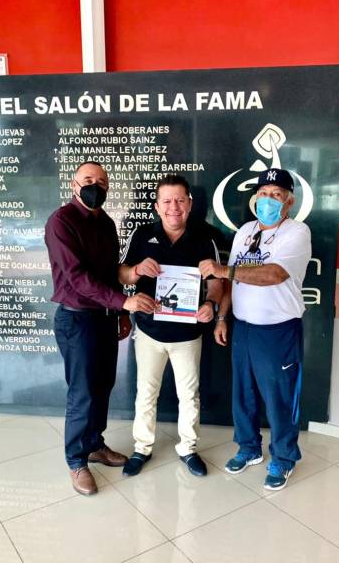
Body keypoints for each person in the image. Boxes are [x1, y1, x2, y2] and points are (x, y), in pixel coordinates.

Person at [45, 161, 156, 496]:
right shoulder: (61, 222)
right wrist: (124, 302)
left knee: (103, 385)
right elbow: (77, 278)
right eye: (88, 179)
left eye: (102, 181)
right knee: (82, 392)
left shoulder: (106, 222)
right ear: (74, 185)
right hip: (77, 319)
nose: (96, 186)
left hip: (105, 317)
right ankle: (76, 461)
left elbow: (109, 273)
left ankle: (94, 444)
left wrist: (121, 307)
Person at [199, 168, 311, 490]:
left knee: (279, 398)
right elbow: (231, 282)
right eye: (263, 194)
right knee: (243, 393)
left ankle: (284, 458)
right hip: (243, 327)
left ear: (288, 202)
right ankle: (249, 448)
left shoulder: (297, 232)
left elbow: (275, 274)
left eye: (276, 195)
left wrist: (223, 269)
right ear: (254, 198)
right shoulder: (245, 231)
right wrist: (222, 317)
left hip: (278, 330)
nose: (268, 200)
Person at [119, 174, 223, 477]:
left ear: (189, 204)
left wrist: (210, 304)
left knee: (189, 395)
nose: (173, 207)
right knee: (145, 393)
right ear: (157, 206)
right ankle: (142, 448)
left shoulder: (206, 237)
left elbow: (216, 282)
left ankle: (188, 448)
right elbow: (121, 274)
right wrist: (137, 270)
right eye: (166, 201)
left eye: (179, 200)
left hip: (188, 333)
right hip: (149, 331)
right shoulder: (142, 235)